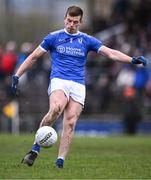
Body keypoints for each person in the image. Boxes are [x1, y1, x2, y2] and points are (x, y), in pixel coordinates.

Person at [11, 6, 147, 168]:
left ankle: (59, 162)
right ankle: (35, 149)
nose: (71, 24)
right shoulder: (53, 37)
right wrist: (17, 75)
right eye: (69, 20)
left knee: (70, 123)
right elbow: (33, 57)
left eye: (75, 22)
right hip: (59, 80)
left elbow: (110, 53)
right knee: (56, 108)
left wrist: (132, 59)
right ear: (64, 19)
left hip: (78, 84)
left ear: (80, 22)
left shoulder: (87, 40)